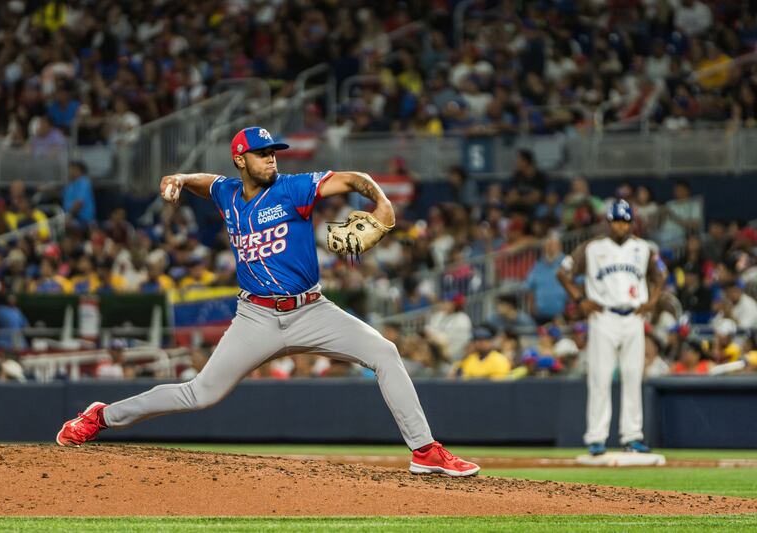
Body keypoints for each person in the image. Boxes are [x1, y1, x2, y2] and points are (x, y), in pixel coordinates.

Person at [56, 126, 479, 477]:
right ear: (241, 160)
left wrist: (382, 204)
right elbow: (211, 185)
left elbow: (351, 179)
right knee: (200, 393)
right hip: (255, 316)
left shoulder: (293, 189)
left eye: (273, 153)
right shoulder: (227, 193)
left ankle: (424, 451)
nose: (271, 159)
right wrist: (182, 180)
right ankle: (101, 416)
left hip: (312, 310)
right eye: (261, 154)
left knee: (385, 352)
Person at [557, 199, 666, 457]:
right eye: (617, 220)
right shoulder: (592, 248)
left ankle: (632, 436)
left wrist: (651, 301)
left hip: (633, 318)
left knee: (632, 376)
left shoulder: (644, 248)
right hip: (603, 317)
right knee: (600, 377)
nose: (621, 225)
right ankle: (596, 438)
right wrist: (580, 299)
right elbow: (563, 273)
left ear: (631, 223)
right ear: (608, 222)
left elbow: (660, 276)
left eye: (625, 221)